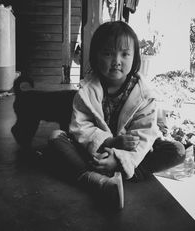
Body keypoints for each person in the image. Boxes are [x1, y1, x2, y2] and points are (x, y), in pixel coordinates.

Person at [47, 21, 186, 209]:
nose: (116, 60)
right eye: (108, 53)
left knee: (177, 151)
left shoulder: (144, 94)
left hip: (129, 154)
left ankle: (108, 173)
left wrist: (118, 159)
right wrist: (110, 143)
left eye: (124, 54)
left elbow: (144, 134)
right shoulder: (86, 91)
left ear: (135, 58)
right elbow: (81, 127)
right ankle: (98, 179)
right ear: (95, 56)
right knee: (56, 139)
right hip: (93, 151)